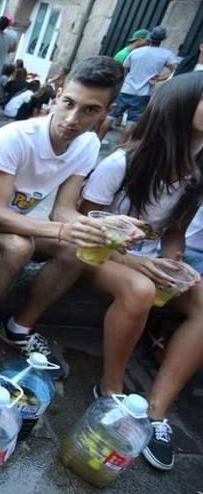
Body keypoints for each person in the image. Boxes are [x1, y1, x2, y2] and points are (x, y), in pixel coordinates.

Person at [0, 56, 128, 382]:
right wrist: (65, 229)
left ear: (107, 112)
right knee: (20, 246)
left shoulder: (88, 145)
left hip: (10, 225)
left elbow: (62, 210)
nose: (73, 119)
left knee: (79, 246)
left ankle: (19, 328)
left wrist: (100, 229)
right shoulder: (16, 137)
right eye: (69, 103)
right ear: (58, 94)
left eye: (90, 110)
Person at [77, 72, 203, 471]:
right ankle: (111, 386)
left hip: (146, 261)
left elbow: (175, 230)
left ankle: (155, 412)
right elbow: (83, 231)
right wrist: (136, 262)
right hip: (99, 259)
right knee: (140, 290)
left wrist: (175, 259)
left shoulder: (196, 169)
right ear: (181, 106)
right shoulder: (123, 162)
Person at [98, 27, 177, 145]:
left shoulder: (136, 52)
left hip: (126, 89)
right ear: (162, 40)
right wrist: (160, 78)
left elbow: (125, 67)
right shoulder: (166, 54)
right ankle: (120, 148)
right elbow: (175, 69)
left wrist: (128, 79)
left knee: (110, 116)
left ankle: (97, 141)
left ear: (150, 38)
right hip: (143, 94)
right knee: (131, 122)